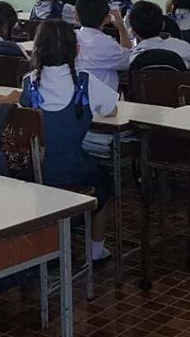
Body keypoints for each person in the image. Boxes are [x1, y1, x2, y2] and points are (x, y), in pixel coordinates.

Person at [20, 20, 118, 261]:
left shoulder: (29, 82)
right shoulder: (84, 82)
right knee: (106, 180)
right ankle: (96, 249)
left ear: (37, 50)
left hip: (36, 173)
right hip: (75, 171)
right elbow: (112, 109)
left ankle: (47, 243)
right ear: (77, 50)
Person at [75, 0, 131, 91]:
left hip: (74, 97)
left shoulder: (69, 38)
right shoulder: (107, 45)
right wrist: (121, 26)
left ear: (76, 17)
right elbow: (128, 59)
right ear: (107, 18)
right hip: (102, 98)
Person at [129, 1, 190, 71]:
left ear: (133, 32)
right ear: (162, 25)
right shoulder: (181, 47)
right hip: (177, 83)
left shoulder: (133, 56)